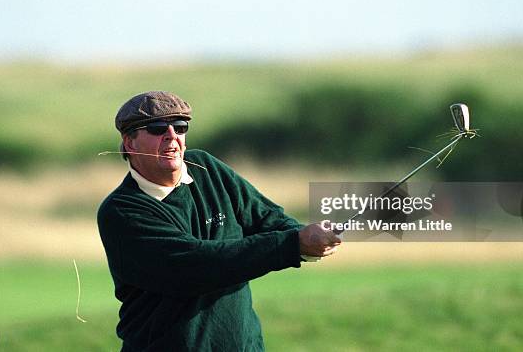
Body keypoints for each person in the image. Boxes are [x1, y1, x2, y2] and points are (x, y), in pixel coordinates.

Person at [97, 90, 341, 351]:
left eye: (180, 127)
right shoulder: (121, 211)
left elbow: (268, 217)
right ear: (130, 143)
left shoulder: (205, 167)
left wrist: (306, 237)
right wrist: (293, 244)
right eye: (157, 129)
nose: (172, 136)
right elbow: (196, 266)